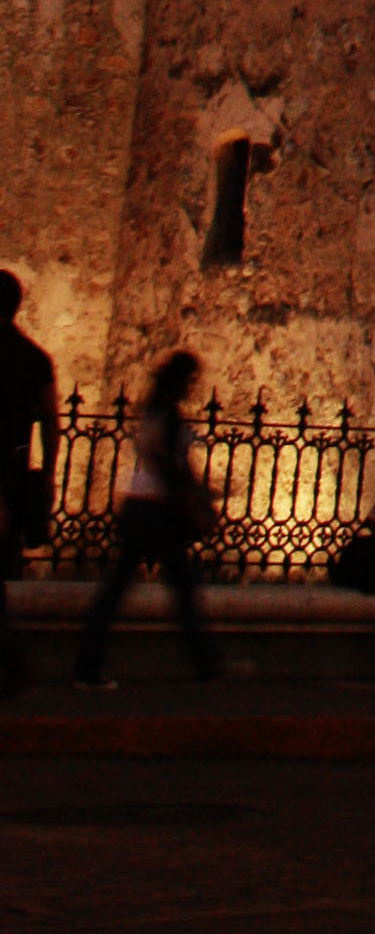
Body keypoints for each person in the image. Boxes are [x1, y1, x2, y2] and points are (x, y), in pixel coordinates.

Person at [73, 349, 222, 687]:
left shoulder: (154, 411)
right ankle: (206, 666)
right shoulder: (167, 416)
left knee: (121, 589)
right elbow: (172, 465)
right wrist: (197, 495)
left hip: (140, 504)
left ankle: (87, 666)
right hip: (158, 509)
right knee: (181, 588)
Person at [0, 273, 59, 696]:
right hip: (12, 471)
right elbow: (52, 423)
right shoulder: (35, 358)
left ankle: (14, 658)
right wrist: (49, 476)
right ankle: (14, 660)